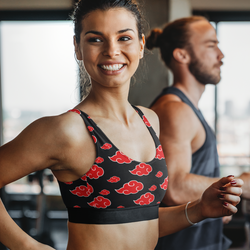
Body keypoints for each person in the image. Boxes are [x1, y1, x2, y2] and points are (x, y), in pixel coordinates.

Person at [0, 3, 243, 250]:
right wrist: (26, 246)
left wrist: (199, 209)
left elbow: (141, 224)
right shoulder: (67, 130)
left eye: (124, 37)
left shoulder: (150, 120)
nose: (112, 51)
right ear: (78, 47)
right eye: (96, 39)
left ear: (140, 45)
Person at [146, 16, 250, 250]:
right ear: (182, 55)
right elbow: (175, 187)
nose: (221, 56)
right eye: (211, 45)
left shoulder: (186, 109)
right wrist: (241, 184)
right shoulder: (175, 110)